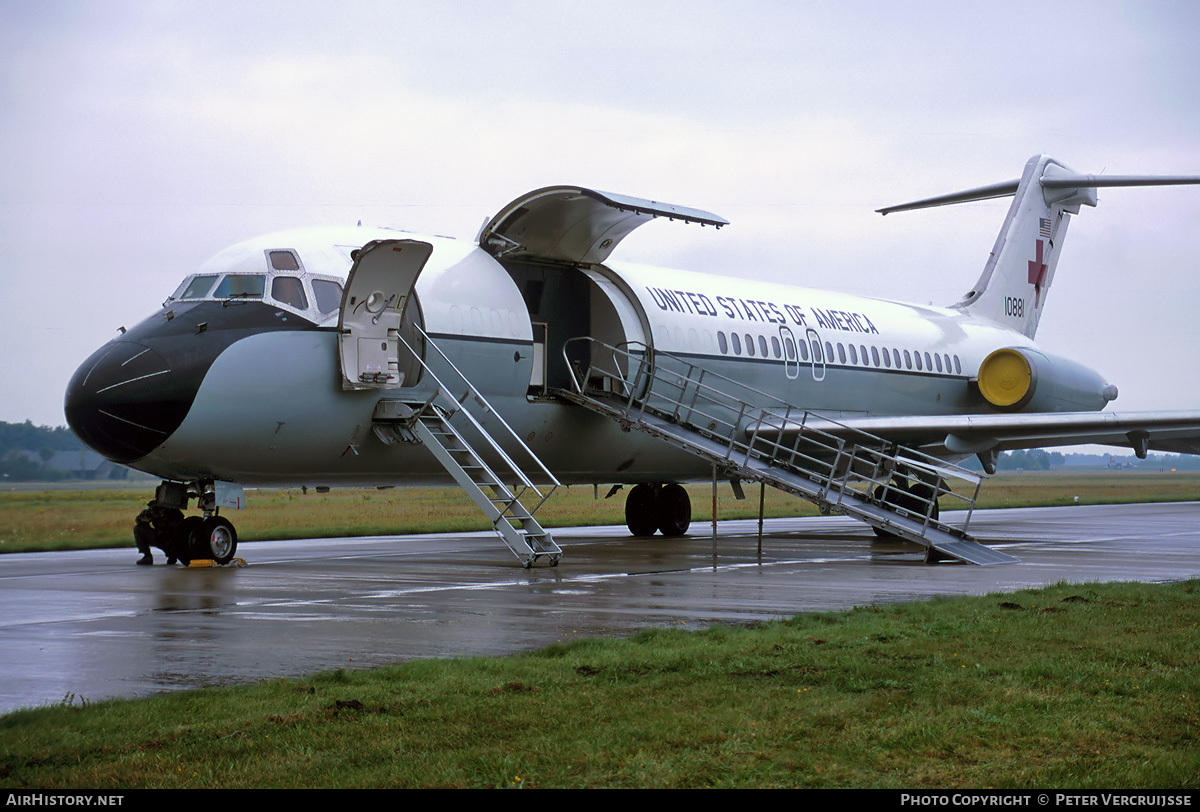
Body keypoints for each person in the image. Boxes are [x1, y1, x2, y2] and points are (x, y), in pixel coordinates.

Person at [133, 499, 185, 565]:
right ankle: (172, 555)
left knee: (138, 529)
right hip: (175, 541)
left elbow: (139, 520)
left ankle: (147, 556)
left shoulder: (156, 508)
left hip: (164, 539)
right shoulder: (174, 508)